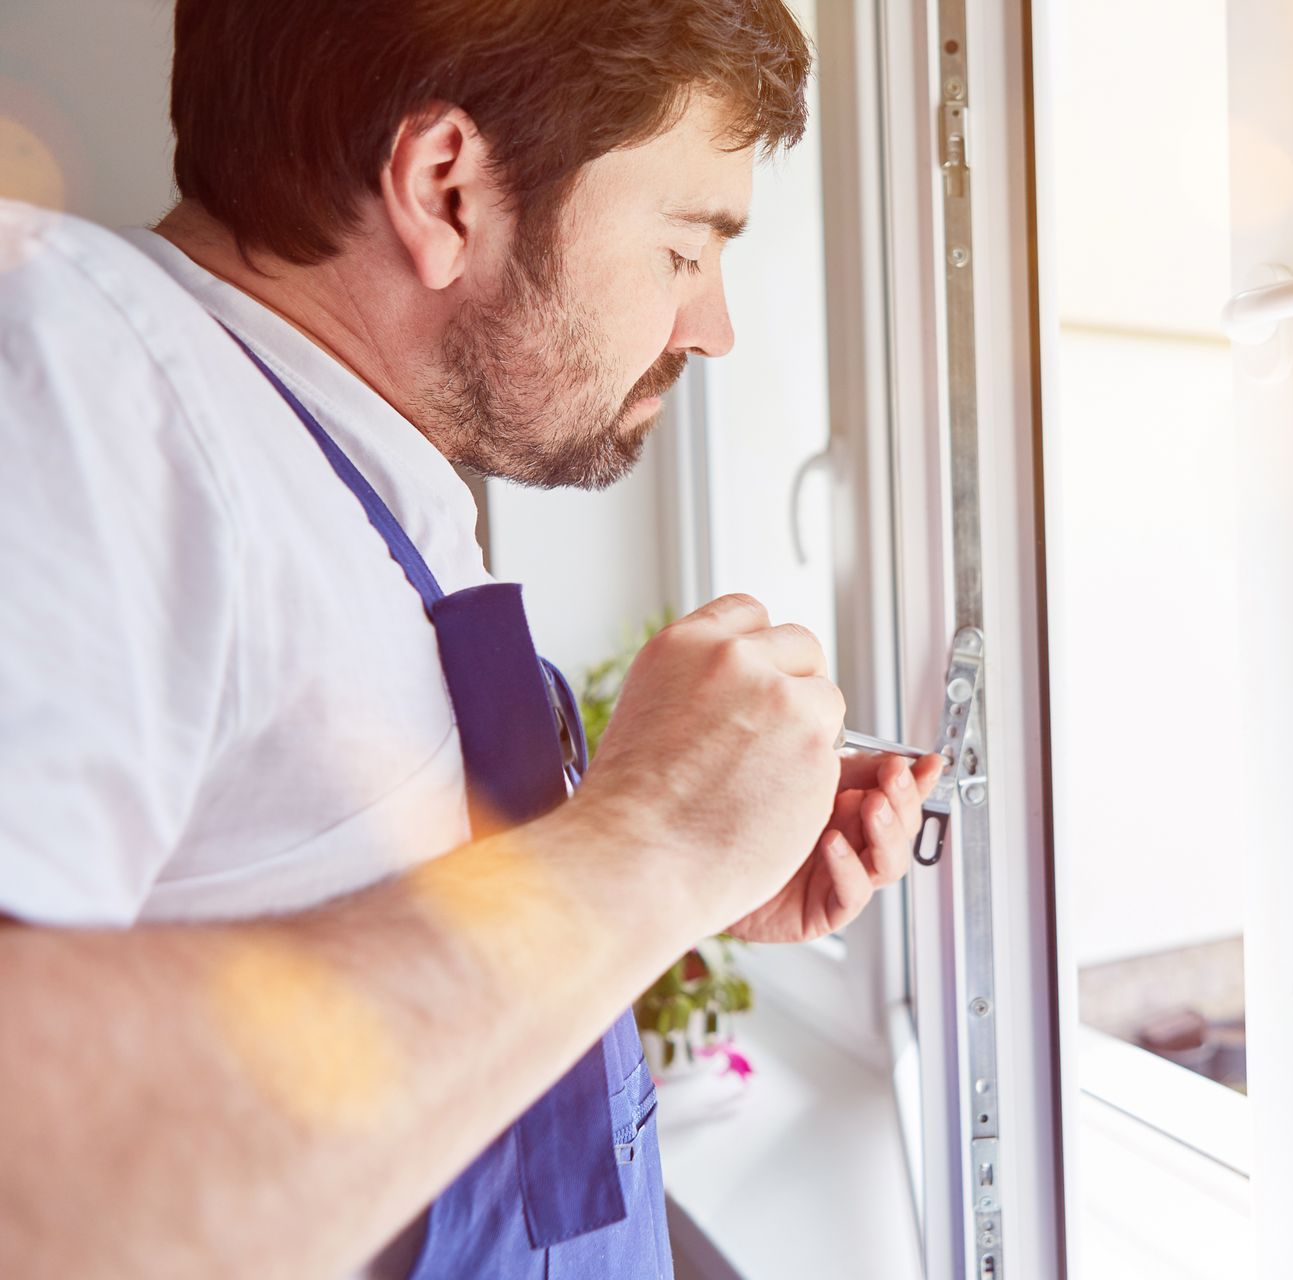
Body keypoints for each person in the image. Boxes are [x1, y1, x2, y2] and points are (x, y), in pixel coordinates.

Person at [0, 1, 944, 1275]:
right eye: (684, 248)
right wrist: (646, 841)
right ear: (447, 190)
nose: (712, 325)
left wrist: (688, 870)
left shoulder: (335, 448)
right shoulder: (68, 368)